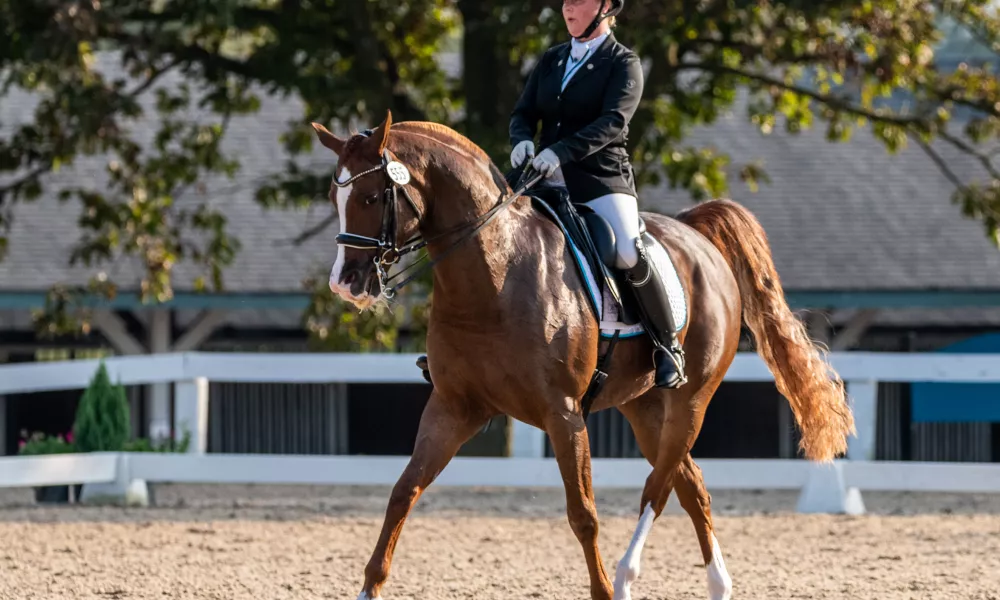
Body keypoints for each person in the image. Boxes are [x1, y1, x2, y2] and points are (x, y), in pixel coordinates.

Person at [508, 0, 686, 388]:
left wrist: (560, 151)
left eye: (578, 1)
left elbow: (612, 123)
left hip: (599, 178)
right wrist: (521, 140)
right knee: (487, 230)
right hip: (539, 174)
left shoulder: (624, 63)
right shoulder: (552, 59)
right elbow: (523, 113)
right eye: (566, 2)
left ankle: (667, 344)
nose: (568, 9)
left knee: (625, 248)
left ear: (606, 7)